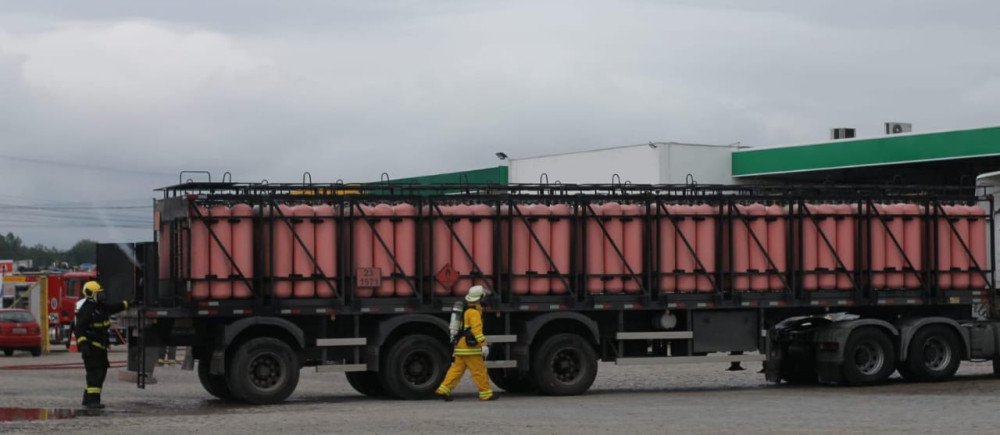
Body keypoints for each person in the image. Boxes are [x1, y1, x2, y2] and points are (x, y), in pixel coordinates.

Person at [435, 285, 496, 402]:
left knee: (456, 371)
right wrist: (483, 344)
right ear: (480, 298)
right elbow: (477, 330)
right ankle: (486, 394)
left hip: (460, 346)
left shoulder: (466, 310)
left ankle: (443, 389)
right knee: (479, 371)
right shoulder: (474, 312)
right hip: (471, 348)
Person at [74, 280, 129, 409]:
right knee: (95, 375)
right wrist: (83, 346)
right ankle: (92, 401)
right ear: (90, 294)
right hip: (92, 348)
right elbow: (79, 329)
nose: (101, 296)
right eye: (98, 294)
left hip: (101, 348)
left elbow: (113, 307)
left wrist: (127, 303)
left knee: (101, 373)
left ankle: (89, 399)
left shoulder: (100, 307)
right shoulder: (86, 310)